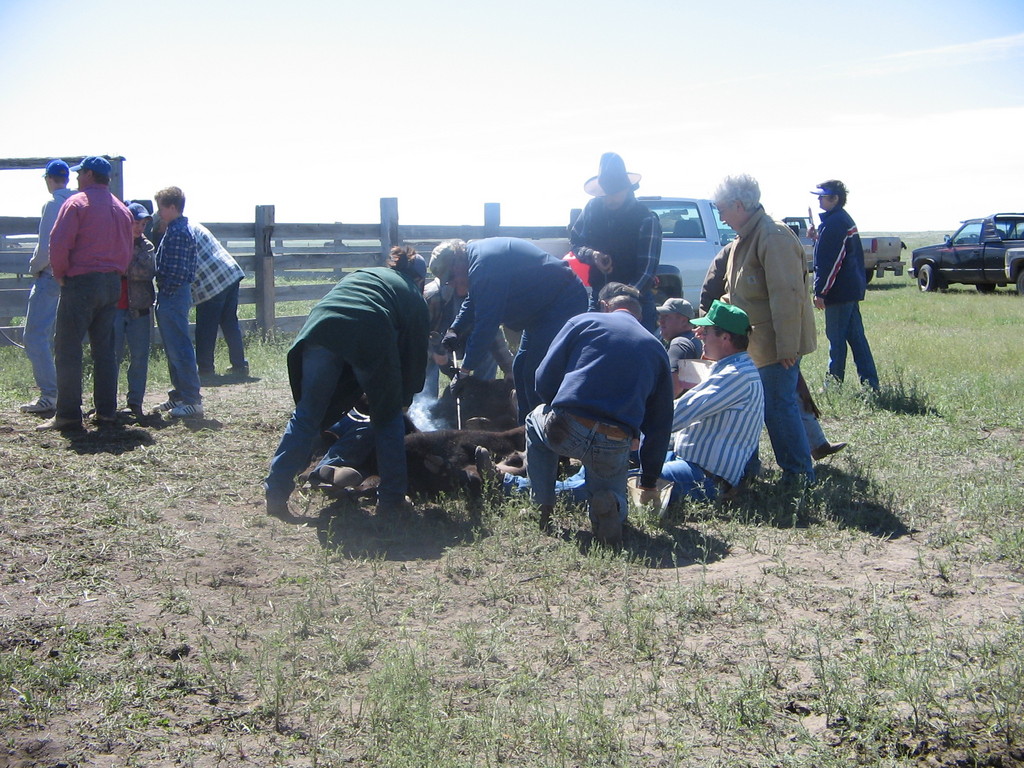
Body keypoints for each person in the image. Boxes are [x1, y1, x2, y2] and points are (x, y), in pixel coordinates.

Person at [264, 248, 429, 520]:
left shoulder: (367, 274)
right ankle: (392, 500)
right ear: (419, 279)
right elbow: (415, 356)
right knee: (387, 418)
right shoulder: (412, 294)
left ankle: (276, 491)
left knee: (307, 415)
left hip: (321, 327)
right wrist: (403, 399)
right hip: (368, 330)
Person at [525, 282, 674, 545]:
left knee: (533, 420)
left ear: (605, 306)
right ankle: (611, 506)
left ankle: (543, 507)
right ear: (639, 315)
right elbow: (660, 423)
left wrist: (554, 407)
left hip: (567, 425)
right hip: (615, 438)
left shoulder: (582, 322)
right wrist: (649, 478)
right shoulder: (656, 348)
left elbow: (542, 378)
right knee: (610, 490)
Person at [712, 174, 817, 482]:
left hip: (774, 348)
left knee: (778, 409)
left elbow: (788, 296)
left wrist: (787, 347)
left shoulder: (773, 236)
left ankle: (799, 477)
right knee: (757, 409)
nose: (721, 217)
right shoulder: (743, 240)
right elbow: (735, 294)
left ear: (739, 204)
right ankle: (749, 472)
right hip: (754, 347)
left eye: (722, 209)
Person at [702, 246, 846, 463]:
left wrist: (786, 344)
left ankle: (816, 444)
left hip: (766, 337)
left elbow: (784, 295)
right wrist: (709, 330)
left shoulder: (763, 246)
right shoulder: (734, 252)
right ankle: (754, 465)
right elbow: (710, 290)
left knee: (789, 391)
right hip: (736, 336)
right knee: (763, 398)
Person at [433, 237, 587, 422]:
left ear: (457, 264)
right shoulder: (474, 261)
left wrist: (465, 371)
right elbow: (473, 300)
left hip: (562, 302)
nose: (453, 286)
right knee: (520, 369)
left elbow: (486, 327)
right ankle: (525, 431)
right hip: (541, 311)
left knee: (535, 373)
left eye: (450, 279)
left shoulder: (483, 268)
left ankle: (547, 435)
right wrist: (455, 329)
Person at [38, 157, 133, 431]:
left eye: (81, 173)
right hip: (112, 282)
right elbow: (127, 250)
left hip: (81, 281)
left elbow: (59, 241)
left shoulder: (77, 203)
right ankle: (106, 412)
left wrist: (59, 273)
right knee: (104, 350)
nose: (77, 178)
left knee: (67, 347)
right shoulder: (121, 209)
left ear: (90, 174)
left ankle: (67, 413)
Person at [660, 300, 764, 503]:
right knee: (613, 465)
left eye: (706, 331)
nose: (699, 334)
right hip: (690, 463)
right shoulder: (733, 368)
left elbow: (679, 414)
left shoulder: (735, 375)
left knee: (621, 480)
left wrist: (633, 421)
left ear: (725, 337)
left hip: (703, 476)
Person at [569, 152, 662, 332]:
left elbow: (646, 271)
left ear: (628, 188)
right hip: (598, 298)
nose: (609, 198)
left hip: (636, 304)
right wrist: (593, 255)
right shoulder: (591, 208)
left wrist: (619, 300)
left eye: (614, 193)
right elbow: (576, 243)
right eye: (605, 194)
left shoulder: (645, 218)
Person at [416, 243, 511, 401]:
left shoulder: (480, 293)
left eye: (453, 278)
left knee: (486, 349)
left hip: (469, 345)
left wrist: (509, 368)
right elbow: (416, 338)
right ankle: (427, 406)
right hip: (437, 349)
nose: (452, 284)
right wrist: (433, 353)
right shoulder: (431, 297)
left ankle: (481, 398)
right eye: (447, 281)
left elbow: (492, 334)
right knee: (424, 362)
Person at [810, 180, 879, 390]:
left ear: (835, 198)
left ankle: (833, 384)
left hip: (838, 293)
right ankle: (870, 384)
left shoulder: (834, 223)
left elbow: (830, 262)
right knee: (857, 339)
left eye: (823, 196)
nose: (819, 199)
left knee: (836, 340)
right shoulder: (838, 220)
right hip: (848, 290)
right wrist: (818, 237)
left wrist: (820, 291)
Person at [19, 160, 75, 415]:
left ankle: (50, 393)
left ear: (49, 179)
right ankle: (67, 392)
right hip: (74, 279)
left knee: (35, 336)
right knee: (64, 336)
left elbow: (46, 248)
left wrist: (34, 267)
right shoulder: (78, 203)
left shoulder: (53, 205)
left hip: (51, 276)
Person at [152, 186, 203, 419]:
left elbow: (180, 272)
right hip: (171, 294)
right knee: (174, 348)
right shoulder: (175, 229)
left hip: (173, 294)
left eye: (161, 207)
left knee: (180, 347)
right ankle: (180, 395)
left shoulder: (179, 232)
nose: (159, 212)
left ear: (172, 207)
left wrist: (165, 289)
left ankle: (192, 399)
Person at [113, 203, 157, 420]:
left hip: (139, 309)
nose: (139, 228)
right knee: (111, 357)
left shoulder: (147, 246)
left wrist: (122, 266)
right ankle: (106, 403)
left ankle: (135, 403)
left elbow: (146, 271)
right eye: (135, 223)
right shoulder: (113, 242)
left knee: (139, 357)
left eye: (142, 224)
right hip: (114, 308)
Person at [190, 222, 248, 379]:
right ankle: (239, 365)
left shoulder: (177, 230)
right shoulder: (194, 225)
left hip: (212, 280)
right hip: (229, 271)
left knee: (206, 326)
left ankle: (205, 369)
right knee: (229, 321)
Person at [656, 297, 703, 397]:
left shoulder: (679, 344)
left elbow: (674, 389)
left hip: (679, 409)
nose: (661, 321)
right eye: (660, 316)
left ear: (683, 321)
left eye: (666, 316)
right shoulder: (695, 340)